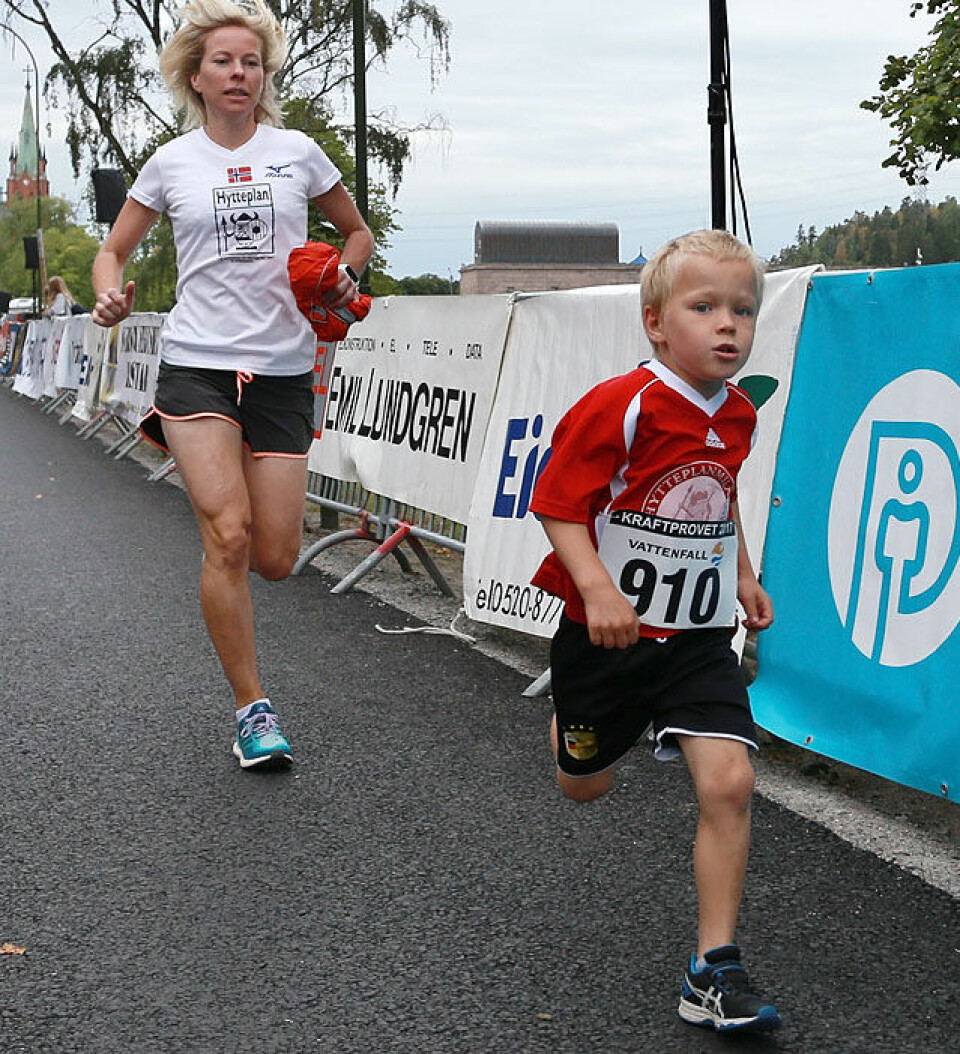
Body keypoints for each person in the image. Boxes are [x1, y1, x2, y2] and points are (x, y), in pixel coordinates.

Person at [91, 0, 374, 771]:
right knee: (229, 534)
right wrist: (109, 292)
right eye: (224, 61)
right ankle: (253, 710)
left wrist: (344, 277)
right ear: (197, 74)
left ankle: (231, 589)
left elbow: (356, 230)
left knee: (276, 556)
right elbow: (111, 252)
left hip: (283, 368)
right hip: (197, 361)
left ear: (262, 74)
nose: (239, 73)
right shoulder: (170, 163)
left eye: (251, 61)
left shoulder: (298, 152)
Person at [529, 229, 780, 1033]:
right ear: (655, 321)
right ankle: (573, 723)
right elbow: (558, 503)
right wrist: (598, 590)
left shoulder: (737, 412)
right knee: (586, 785)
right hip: (605, 637)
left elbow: (720, 492)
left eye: (742, 310)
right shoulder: (622, 403)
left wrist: (740, 574)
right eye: (704, 307)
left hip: (698, 639)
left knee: (730, 782)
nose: (727, 326)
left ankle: (714, 969)